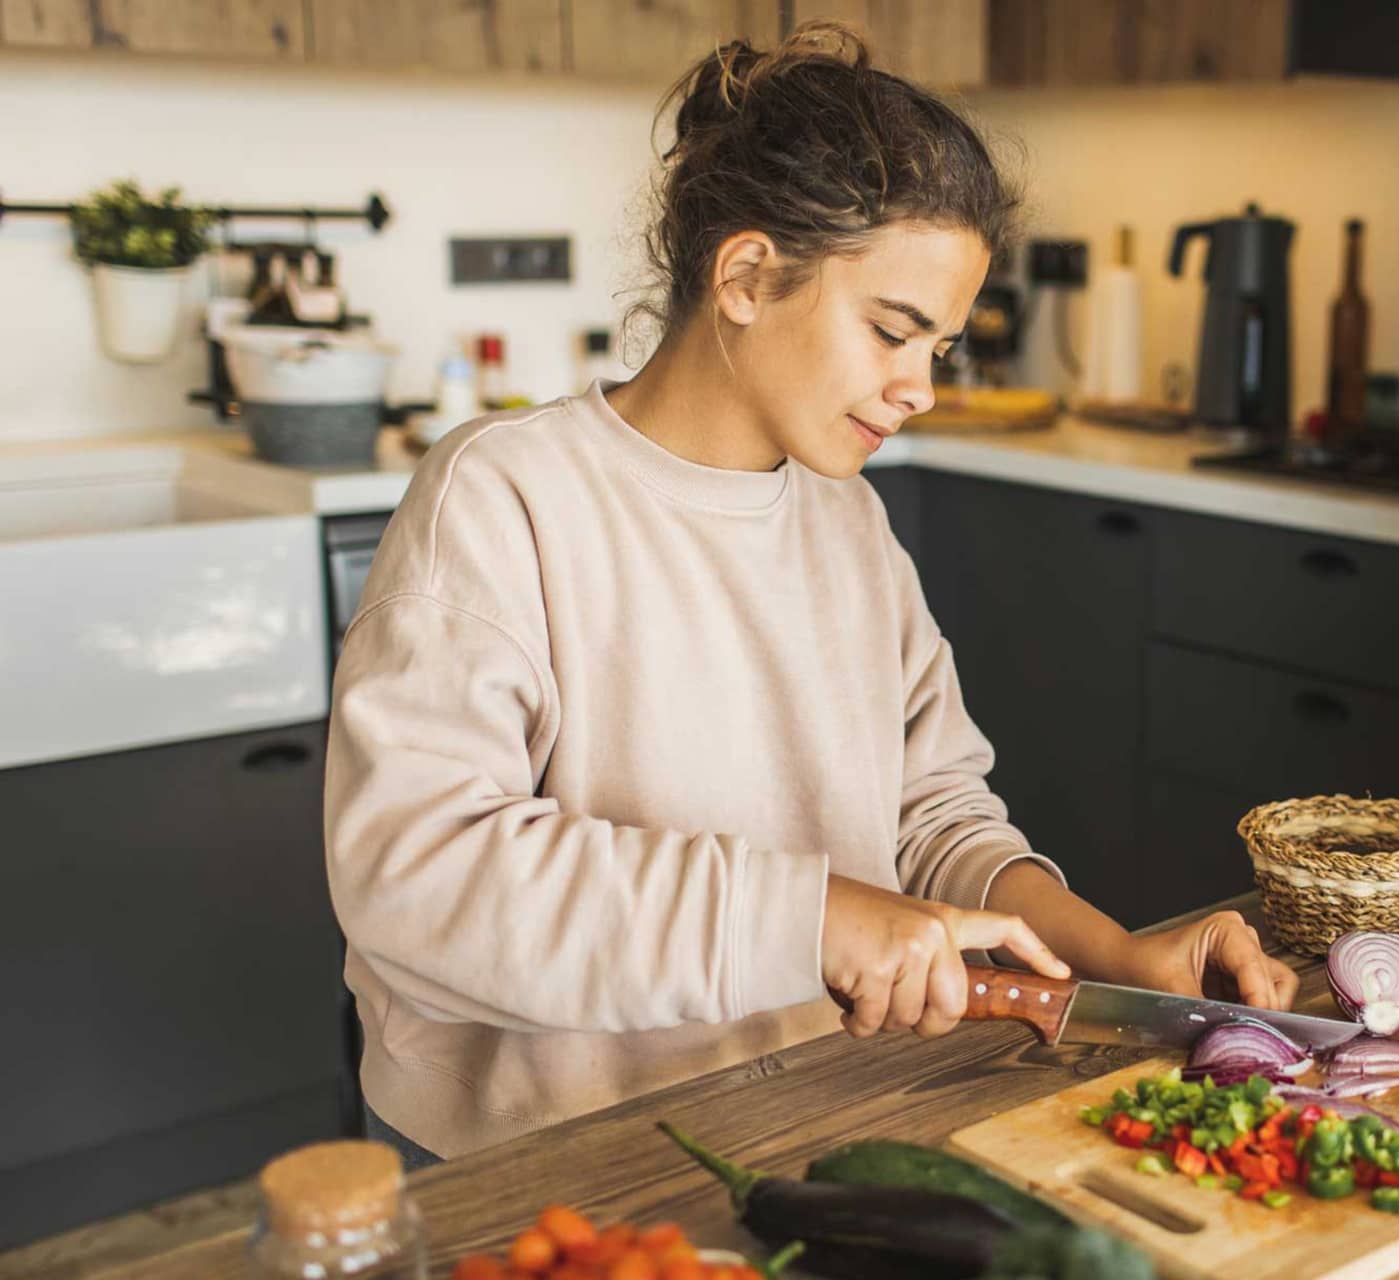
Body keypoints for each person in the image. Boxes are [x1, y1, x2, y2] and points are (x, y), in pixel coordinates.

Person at [325, 22, 1298, 1167]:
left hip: (805, 1117)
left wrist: (1110, 957)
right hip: (541, 1161)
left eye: (939, 345)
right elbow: (420, 873)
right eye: (892, 329)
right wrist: (817, 916)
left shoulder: (847, 523)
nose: (919, 387)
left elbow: (929, 815)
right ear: (743, 277)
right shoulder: (504, 499)